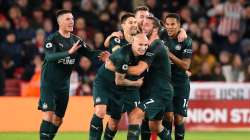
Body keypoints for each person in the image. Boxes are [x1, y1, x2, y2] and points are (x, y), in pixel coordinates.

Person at [38, 9, 106, 140]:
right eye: (68, 19)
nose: (71, 22)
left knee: (58, 120)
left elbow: (90, 53)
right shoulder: (52, 39)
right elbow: (49, 57)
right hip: (49, 84)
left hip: (64, 85)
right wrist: (68, 53)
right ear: (60, 22)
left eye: (72, 19)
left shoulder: (76, 40)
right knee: (48, 115)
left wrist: (103, 55)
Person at [106, 16, 173, 140]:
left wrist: (115, 67)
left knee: (135, 115)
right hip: (151, 92)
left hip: (160, 93)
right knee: (155, 126)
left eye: (147, 24)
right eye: (142, 24)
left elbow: (138, 70)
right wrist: (112, 39)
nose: (142, 27)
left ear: (155, 29)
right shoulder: (146, 45)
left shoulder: (156, 46)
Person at [89, 33, 148, 140]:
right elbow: (119, 81)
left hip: (122, 88)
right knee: (100, 112)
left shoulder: (147, 52)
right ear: (132, 43)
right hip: (105, 83)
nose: (143, 47)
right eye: (140, 44)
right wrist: (136, 83)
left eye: (145, 45)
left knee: (114, 123)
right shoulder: (123, 56)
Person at [162, 13, 192, 140]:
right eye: (167, 24)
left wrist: (169, 55)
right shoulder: (160, 35)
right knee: (168, 116)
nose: (170, 27)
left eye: (173, 24)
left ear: (179, 25)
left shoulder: (186, 41)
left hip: (181, 83)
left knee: (179, 118)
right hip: (165, 83)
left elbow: (185, 65)